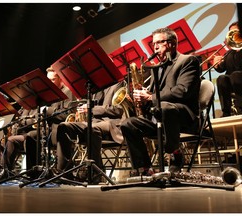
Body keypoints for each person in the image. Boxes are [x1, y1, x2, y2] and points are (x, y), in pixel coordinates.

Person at [120, 27, 201, 176]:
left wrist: (150, 97)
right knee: (128, 124)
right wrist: (141, 98)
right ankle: (144, 168)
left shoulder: (188, 61)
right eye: (153, 44)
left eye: (159, 42)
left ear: (172, 43)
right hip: (159, 117)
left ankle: (175, 153)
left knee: (165, 107)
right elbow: (154, 96)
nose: (155, 47)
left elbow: (182, 91)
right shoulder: (156, 67)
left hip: (183, 117)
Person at [3, 66, 76, 173]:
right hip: (44, 130)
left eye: (53, 80)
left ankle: (33, 172)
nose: (50, 83)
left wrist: (47, 110)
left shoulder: (68, 92)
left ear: (61, 79)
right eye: (48, 80)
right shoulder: (47, 94)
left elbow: (68, 114)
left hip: (58, 131)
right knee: (19, 138)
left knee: (31, 136)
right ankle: (14, 172)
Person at [55, 81, 126, 183]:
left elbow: (118, 110)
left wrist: (92, 109)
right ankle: (64, 173)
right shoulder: (96, 87)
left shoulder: (118, 84)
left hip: (110, 123)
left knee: (92, 128)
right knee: (63, 127)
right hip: (92, 122)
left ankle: (96, 173)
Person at [213, 21, 242, 117]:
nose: (234, 35)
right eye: (231, 33)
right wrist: (217, 64)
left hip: (238, 78)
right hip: (234, 81)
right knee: (221, 78)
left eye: (236, 32)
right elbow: (222, 68)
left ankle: (240, 109)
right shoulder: (229, 53)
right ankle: (226, 111)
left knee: (236, 75)